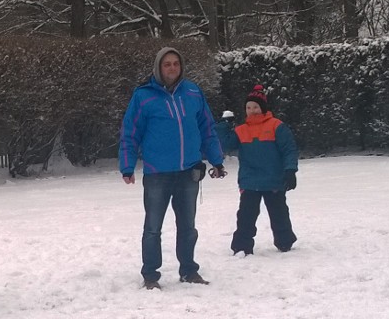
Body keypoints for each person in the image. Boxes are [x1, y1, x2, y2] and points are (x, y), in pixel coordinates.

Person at [118, 47, 227, 289]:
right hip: (157, 173)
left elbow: (207, 128)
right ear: (159, 67)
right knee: (153, 228)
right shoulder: (143, 96)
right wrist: (127, 165)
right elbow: (130, 132)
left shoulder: (193, 92)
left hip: (188, 172)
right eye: (167, 64)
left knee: (188, 227)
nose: (172, 68)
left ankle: (189, 270)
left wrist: (216, 160)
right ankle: (150, 275)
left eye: (176, 63)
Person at [229, 84, 299, 255]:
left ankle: (285, 242)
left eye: (255, 107)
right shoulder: (240, 130)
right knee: (246, 216)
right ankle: (241, 246)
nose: (252, 110)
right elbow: (225, 145)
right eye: (248, 107)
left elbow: (289, 149)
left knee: (279, 214)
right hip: (249, 181)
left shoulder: (276, 126)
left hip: (274, 179)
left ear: (263, 108)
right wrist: (224, 126)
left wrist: (290, 170)